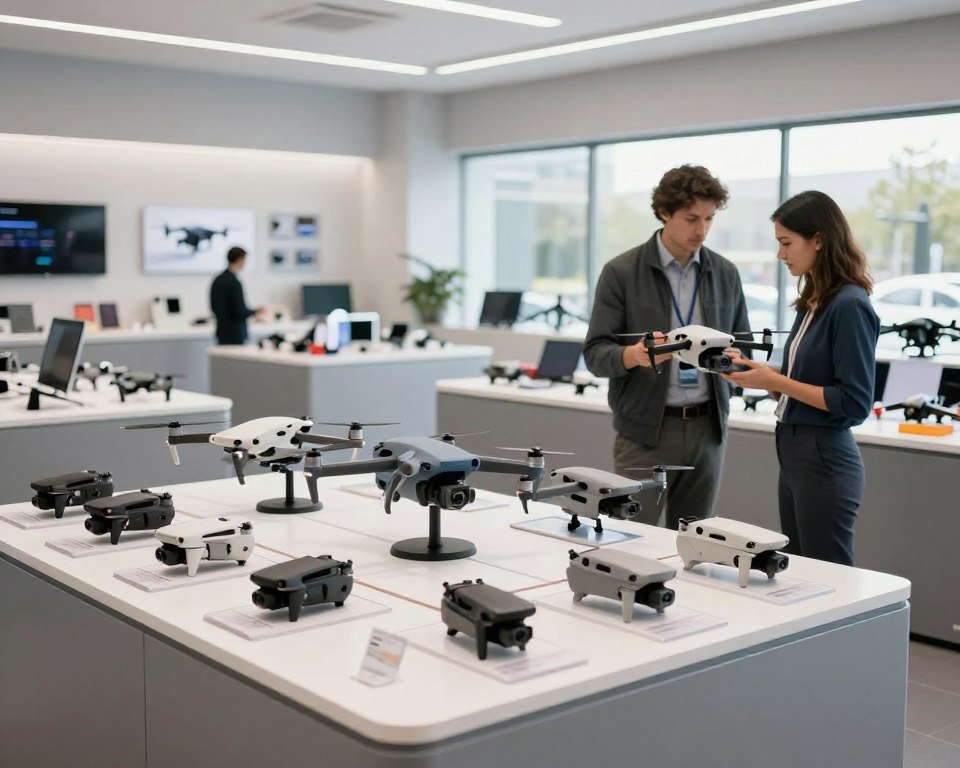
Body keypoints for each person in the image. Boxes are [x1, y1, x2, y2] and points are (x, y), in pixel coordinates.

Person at [583, 165, 750, 529]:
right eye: (691, 218)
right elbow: (595, 353)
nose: (701, 230)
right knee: (631, 536)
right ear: (664, 213)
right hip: (645, 432)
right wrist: (633, 355)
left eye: (709, 219)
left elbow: (743, 347)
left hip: (708, 429)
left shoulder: (725, 273)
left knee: (697, 541)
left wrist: (737, 365)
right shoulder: (622, 272)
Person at [722, 190, 878, 566]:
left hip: (823, 456)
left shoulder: (850, 305)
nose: (780, 254)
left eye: (786, 243)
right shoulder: (815, 300)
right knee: (802, 574)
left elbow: (854, 403)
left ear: (819, 240)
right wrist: (758, 373)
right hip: (794, 453)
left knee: (829, 580)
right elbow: (804, 380)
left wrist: (775, 382)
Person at [210, 246, 263, 345]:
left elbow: (213, 307)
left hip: (222, 332)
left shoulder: (217, 280)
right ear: (240, 259)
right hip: (235, 333)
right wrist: (256, 312)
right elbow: (239, 311)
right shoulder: (234, 283)